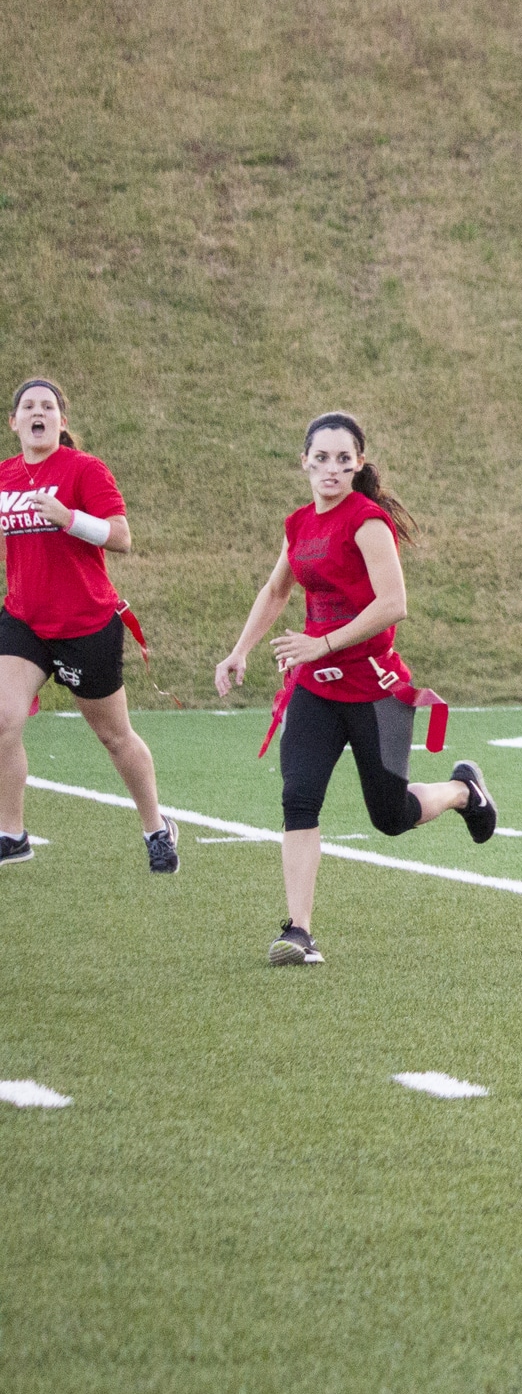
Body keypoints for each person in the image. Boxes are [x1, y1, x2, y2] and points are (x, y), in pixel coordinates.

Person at [213, 412, 496, 966]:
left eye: (344, 459)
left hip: (375, 688)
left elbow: (394, 604)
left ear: (358, 464)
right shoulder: (298, 524)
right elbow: (275, 592)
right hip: (316, 690)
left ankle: (464, 790)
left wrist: (323, 643)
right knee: (298, 798)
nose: (331, 469)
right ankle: (298, 931)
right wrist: (240, 649)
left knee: (389, 816)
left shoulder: (367, 522)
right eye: (321, 458)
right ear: (304, 461)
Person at [0, 378, 177, 873]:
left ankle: (156, 828)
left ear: (62, 421)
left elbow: (122, 537)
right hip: (24, 621)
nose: (39, 413)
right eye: (29, 407)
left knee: (114, 737)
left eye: (48, 407)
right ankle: (11, 835)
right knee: (1, 719)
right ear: (13, 422)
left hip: (85, 623)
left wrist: (68, 517)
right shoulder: (4, 475)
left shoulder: (84, 469)